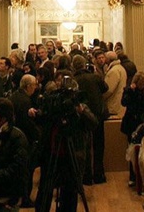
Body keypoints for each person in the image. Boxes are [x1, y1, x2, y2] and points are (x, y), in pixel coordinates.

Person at [35, 73, 96, 212]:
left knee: (70, 190)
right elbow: (42, 120)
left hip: (72, 153)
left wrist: (81, 111)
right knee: (46, 188)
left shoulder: (80, 107)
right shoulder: (54, 105)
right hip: (52, 153)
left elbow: (93, 123)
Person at [72, 54, 107, 184]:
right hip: (97, 114)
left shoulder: (74, 80)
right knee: (99, 146)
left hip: (81, 117)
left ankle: (86, 177)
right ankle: (99, 175)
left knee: (84, 148)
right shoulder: (95, 77)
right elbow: (105, 88)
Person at [10, 74, 42, 206]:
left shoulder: (16, 96)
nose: (35, 88)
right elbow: (26, 123)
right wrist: (38, 136)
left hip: (16, 138)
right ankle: (25, 199)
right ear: (28, 86)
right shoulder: (25, 101)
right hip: (24, 140)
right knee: (26, 171)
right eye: (34, 85)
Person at [103, 52, 125, 118]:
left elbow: (109, 90)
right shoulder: (120, 68)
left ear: (108, 59)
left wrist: (102, 97)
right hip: (119, 104)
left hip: (113, 105)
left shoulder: (114, 71)